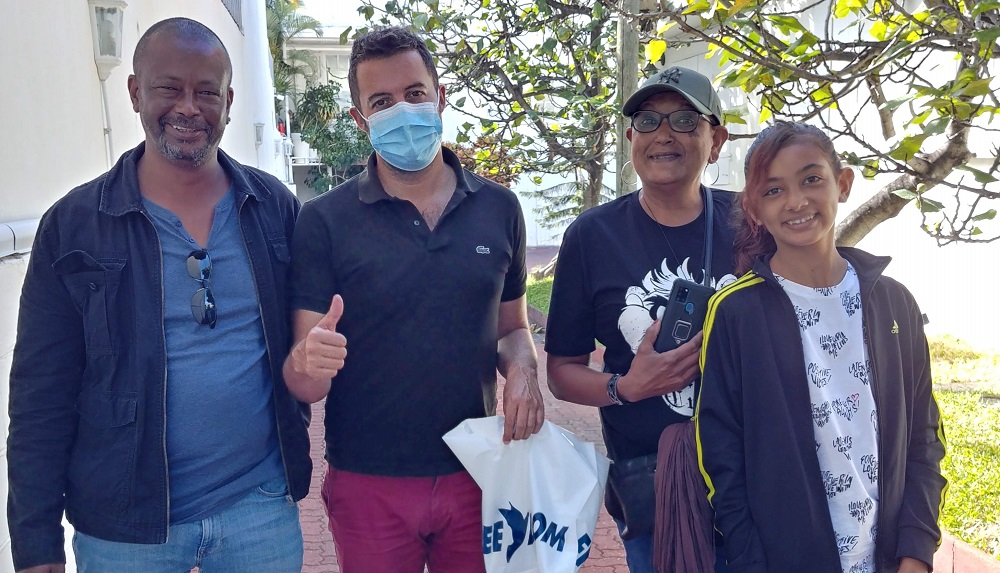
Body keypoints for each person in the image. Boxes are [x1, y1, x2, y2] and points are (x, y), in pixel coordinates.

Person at [7, 18, 311, 573]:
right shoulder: (74, 227)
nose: (188, 107)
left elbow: (303, 346)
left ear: (229, 101)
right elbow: (40, 396)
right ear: (135, 92)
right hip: (125, 529)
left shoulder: (273, 209)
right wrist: (36, 543)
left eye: (206, 92)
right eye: (169, 88)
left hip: (259, 508)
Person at [283, 26, 544, 573]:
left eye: (415, 93)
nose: (403, 111)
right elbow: (305, 382)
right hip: (368, 480)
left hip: (477, 466)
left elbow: (512, 329)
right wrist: (308, 361)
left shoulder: (499, 209)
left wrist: (524, 369)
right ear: (360, 120)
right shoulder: (323, 221)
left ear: (439, 97)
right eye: (382, 102)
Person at [696, 121, 947, 573]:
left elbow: (924, 437)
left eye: (811, 179)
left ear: (843, 184)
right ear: (753, 208)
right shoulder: (735, 313)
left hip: (889, 558)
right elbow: (720, 454)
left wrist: (916, 548)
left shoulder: (893, 302)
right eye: (773, 190)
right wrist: (751, 559)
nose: (796, 201)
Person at [545, 65, 736, 572]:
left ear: (716, 141)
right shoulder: (592, 237)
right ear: (631, 139)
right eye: (648, 121)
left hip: (753, 477)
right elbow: (561, 372)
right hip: (653, 490)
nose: (663, 134)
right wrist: (627, 387)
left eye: (685, 120)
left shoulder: (751, 224)